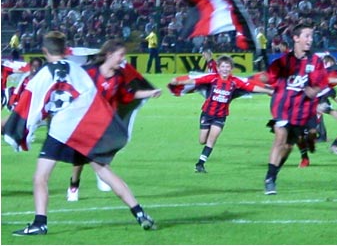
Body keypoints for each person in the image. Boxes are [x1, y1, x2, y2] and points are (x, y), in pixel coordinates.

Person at [4, 32, 156, 235]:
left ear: (44, 51)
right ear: (66, 50)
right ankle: (139, 213)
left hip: (62, 129)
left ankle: (40, 223)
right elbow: (92, 96)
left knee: (41, 177)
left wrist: (18, 128)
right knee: (103, 170)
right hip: (85, 128)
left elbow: (31, 103)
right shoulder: (77, 70)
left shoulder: (44, 73)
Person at [66, 39, 162, 202]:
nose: (123, 59)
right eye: (121, 55)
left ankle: (101, 175)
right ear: (109, 55)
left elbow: (127, 96)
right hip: (86, 120)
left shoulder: (118, 78)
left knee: (105, 150)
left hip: (106, 122)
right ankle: (74, 184)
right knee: (80, 157)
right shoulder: (90, 72)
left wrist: (150, 92)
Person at [258, 20, 329, 195]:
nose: (310, 39)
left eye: (312, 36)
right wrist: (263, 79)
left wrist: (314, 90)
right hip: (282, 108)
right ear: (296, 38)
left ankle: (273, 173)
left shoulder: (316, 62)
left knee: (288, 147)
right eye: (307, 36)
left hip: (302, 112)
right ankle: (269, 179)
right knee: (280, 138)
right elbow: (267, 77)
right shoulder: (283, 62)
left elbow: (322, 83)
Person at [169, 55, 272, 173]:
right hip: (207, 113)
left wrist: (268, 90)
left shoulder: (235, 82)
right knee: (202, 140)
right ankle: (203, 155)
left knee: (212, 139)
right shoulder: (212, 78)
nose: (225, 69)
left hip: (220, 116)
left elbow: (252, 87)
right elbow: (195, 80)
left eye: (227, 67)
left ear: (231, 69)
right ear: (218, 68)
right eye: (222, 66)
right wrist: (178, 82)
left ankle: (200, 164)